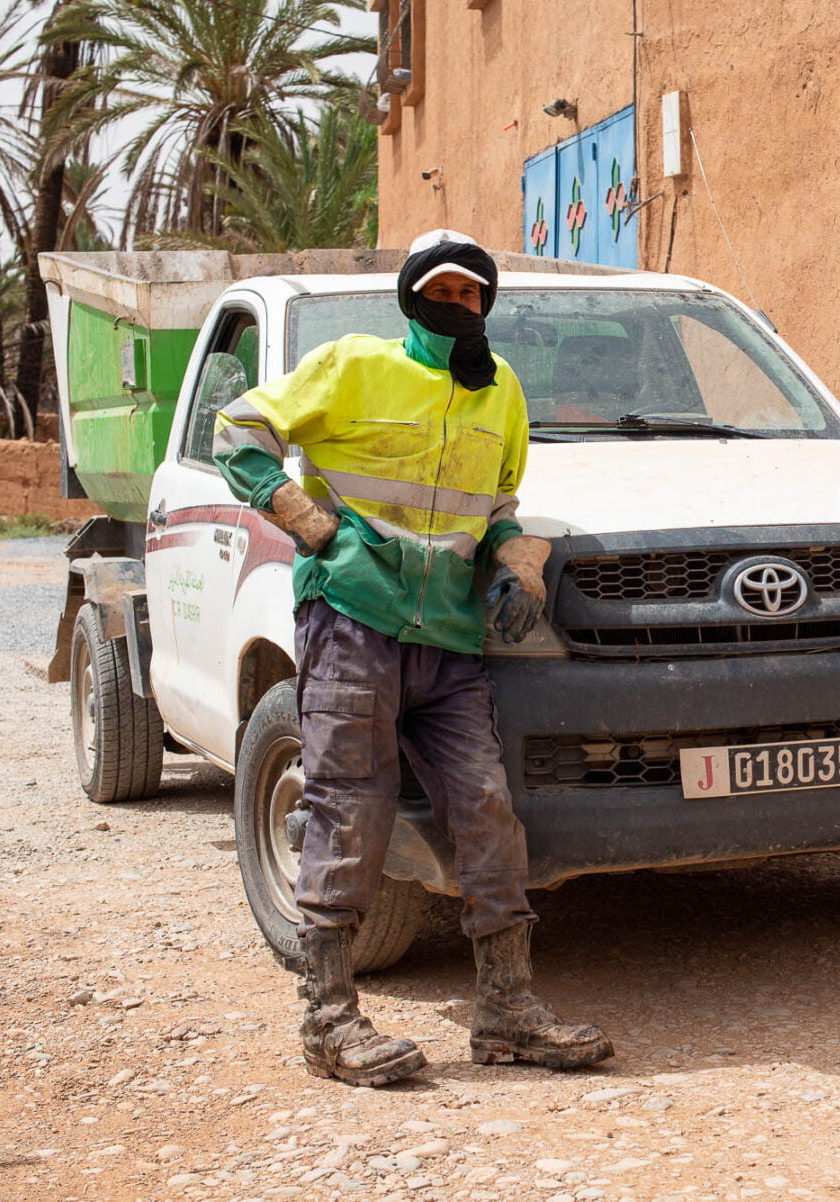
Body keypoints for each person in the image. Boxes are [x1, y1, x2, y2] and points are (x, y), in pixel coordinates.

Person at [212, 229, 613, 1085]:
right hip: (355, 620)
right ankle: (328, 1021)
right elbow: (236, 431)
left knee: (487, 813)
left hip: (451, 642)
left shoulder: (499, 389)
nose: (456, 304)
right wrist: (307, 520)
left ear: (487, 303)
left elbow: (497, 504)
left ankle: (506, 1013)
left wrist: (517, 559)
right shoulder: (354, 364)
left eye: (471, 293)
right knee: (350, 807)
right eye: (441, 291)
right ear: (410, 297)